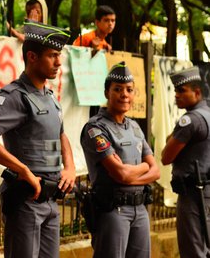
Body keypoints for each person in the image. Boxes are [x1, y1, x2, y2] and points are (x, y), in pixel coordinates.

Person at [0, 20, 76, 258]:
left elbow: (61, 134)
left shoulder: (50, 97)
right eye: (52, 55)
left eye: (59, 55)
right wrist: (23, 170)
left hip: (50, 200)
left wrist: (69, 168)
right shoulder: (14, 96)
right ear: (32, 56)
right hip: (26, 199)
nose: (59, 62)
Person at [80, 62, 160, 258]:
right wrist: (142, 168)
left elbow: (155, 171)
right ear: (107, 92)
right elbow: (120, 173)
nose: (124, 94)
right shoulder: (96, 129)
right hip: (113, 210)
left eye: (129, 90)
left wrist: (132, 173)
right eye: (118, 89)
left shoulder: (134, 127)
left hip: (140, 209)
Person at [161, 66, 210, 258]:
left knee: (193, 249)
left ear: (196, 92)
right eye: (175, 91)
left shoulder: (190, 121)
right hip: (206, 191)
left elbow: (166, 157)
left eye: (182, 91)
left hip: (193, 195)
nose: (176, 95)